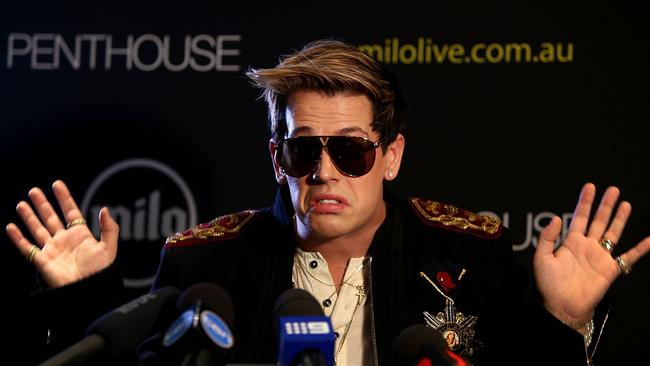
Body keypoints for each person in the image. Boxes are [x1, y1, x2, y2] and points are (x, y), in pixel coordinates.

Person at [6, 39, 650, 366]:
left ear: (391, 156)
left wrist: (561, 320)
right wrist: (83, 300)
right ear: (276, 160)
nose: (324, 172)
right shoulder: (205, 264)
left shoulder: (470, 254)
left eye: (351, 151)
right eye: (301, 151)